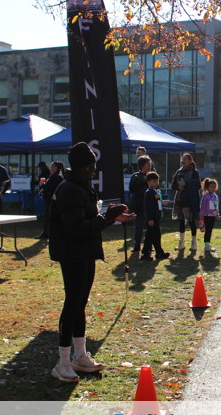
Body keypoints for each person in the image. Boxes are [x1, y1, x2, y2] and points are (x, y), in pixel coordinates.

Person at [48, 142, 134, 382]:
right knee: (72, 303)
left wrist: (112, 217)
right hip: (72, 252)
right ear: (85, 167)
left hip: (85, 251)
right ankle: (63, 362)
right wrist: (106, 218)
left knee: (80, 303)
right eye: (93, 166)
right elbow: (78, 227)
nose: (95, 170)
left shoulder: (82, 186)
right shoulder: (69, 190)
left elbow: (90, 218)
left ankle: (80, 355)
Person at [170, 153, 202, 254]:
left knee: (191, 221)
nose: (183, 160)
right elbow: (173, 185)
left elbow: (198, 185)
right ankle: (181, 242)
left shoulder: (194, 172)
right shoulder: (178, 172)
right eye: (182, 158)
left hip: (190, 199)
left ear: (190, 161)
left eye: (185, 159)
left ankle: (194, 242)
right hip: (180, 199)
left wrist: (186, 184)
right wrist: (178, 187)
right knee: (181, 221)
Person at [140, 172, 170, 261]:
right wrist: (149, 218)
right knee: (152, 236)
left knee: (153, 235)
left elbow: (158, 202)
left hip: (156, 217)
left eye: (157, 181)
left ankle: (156, 252)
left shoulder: (156, 191)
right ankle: (149, 253)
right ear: (148, 182)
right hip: (152, 218)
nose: (156, 183)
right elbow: (148, 207)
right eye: (154, 181)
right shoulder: (149, 192)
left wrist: (162, 200)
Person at [128, 156, 153, 251]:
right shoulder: (135, 176)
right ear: (142, 165)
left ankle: (148, 245)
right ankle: (137, 245)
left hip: (149, 205)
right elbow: (132, 189)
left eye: (150, 164)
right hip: (139, 205)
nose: (150, 166)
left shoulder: (151, 176)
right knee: (139, 225)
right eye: (148, 164)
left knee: (150, 226)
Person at [40, 160, 65, 240]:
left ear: (55, 168)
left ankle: (46, 233)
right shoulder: (57, 176)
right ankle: (47, 233)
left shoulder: (55, 177)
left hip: (51, 200)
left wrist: (42, 185)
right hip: (53, 200)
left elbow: (49, 187)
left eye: (52, 167)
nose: (50, 168)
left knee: (48, 217)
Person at [199, 178, 221, 253]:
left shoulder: (216, 196)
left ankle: (208, 244)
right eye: (211, 187)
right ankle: (207, 245)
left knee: (210, 230)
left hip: (212, 216)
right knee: (207, 230)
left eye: (214, 187)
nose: (213, 188)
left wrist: (217, 215)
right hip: (206, 216)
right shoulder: (206, 196)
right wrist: (201, 216)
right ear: (207, 187)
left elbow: (216, 207)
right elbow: (203, 207)